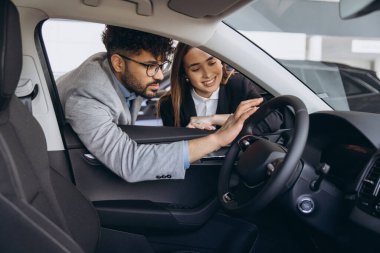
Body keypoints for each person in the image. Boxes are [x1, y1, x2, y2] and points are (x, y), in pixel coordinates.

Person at [57, 25, 262, 183]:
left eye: (160, 65)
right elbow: (130, 163)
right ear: (118, 63)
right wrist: (217, 139)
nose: (157, 75)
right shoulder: (87, 98)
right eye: (150, 66)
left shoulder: (125, 75)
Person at [158, 43, 283, 133]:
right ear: (184, 73)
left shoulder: (238, 85)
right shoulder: (169, 104)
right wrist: (186, 134)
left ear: (221, 62)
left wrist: (214, 119)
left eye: (211, 63)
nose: (207, 74)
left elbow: (272, 120)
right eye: (195, 69)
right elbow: (171, 149)